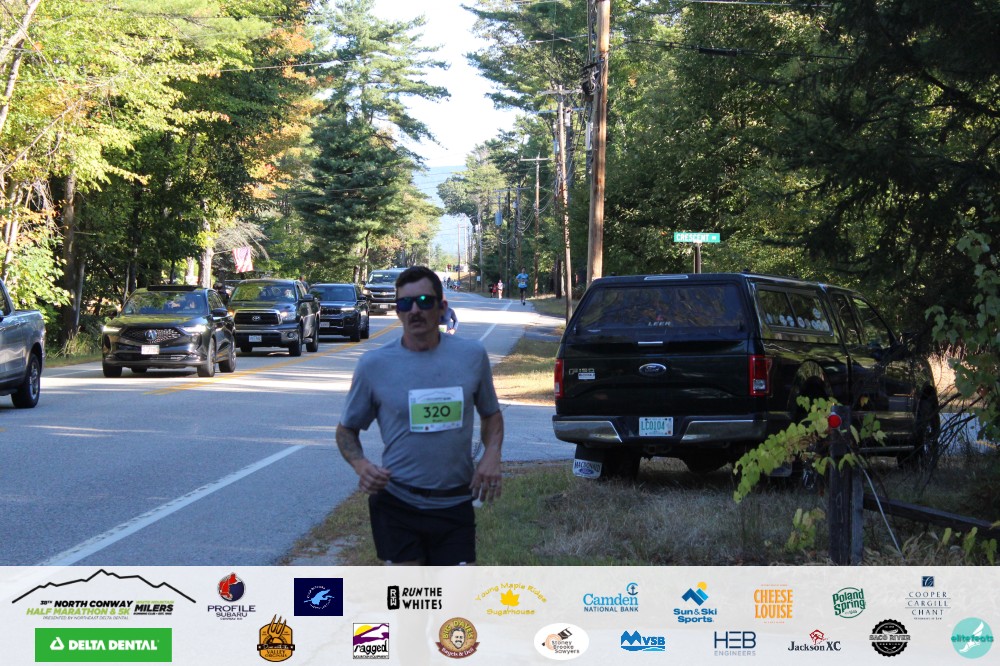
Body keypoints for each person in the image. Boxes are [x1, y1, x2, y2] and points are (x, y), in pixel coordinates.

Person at [336, 266, 503, 566]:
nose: (414, 310)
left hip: (455, 502)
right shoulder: (374, 365)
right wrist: (361, 465)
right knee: (412, 595)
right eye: (405, 303)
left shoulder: (472, 356)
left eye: (424, 301)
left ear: (442, 308)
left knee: (455, 596)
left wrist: (491, 455)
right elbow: (346, 430)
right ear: (398, 311)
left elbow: (491, 415)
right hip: (397, 502)